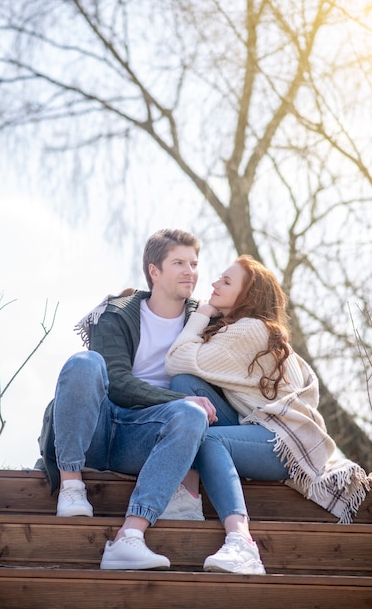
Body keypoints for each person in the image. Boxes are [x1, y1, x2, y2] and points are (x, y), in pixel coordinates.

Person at [38, 228, 236, 571]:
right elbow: (116, 383)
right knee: (85, 363)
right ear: (154, 271)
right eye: (179, 262)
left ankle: (130, 537)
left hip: (144, 438)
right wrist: (176, 397)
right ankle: (71, 486)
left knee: (190, 414)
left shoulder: (203, 322)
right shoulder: (116, 313)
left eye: (194, 262)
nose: (190, 271)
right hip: (96, 431)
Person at [166, 254, 371, 574]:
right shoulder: (251, 330)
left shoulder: (248, 330)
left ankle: (242, 542)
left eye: (226, 281)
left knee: (210, 439)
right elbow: (183, 372)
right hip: (257, 426)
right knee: (186, 386)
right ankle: (189, 494)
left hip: (282, 440)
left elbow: (177, 358)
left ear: (248, 296)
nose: (214, 284)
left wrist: (201, 315)